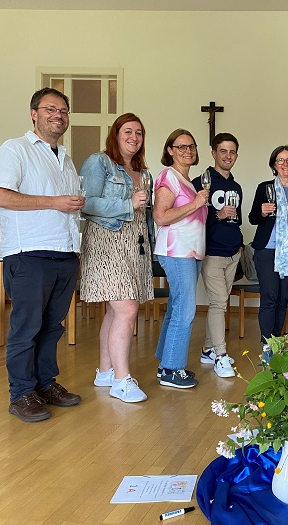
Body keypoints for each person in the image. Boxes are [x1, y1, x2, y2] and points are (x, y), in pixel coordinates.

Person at [0, 87, 83, 422]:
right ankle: (21, 394)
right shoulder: (14, 149)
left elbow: (69, 207)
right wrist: (55, 202)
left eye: (63, 111)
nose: (59, 115)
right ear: (34, 114)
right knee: (27, 328)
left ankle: (45, 384)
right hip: (29, 252)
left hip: (65, 252)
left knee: (52, 327)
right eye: (50, 109)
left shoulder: (66, 160)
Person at [80, 113, 154, 403]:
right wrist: (127, 203)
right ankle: (122, 380)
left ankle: (105, 372)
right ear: (116, 134)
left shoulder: (142, 172)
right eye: (128, 131)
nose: (134, 137)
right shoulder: (99, 162)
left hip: (135, 244)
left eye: (139, 132)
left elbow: (144, 215)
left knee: (115, 311)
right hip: (106, 241)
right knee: (127, 308)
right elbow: (85, 203)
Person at [153, 129, 209, 389]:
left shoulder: (188, 181)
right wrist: (196, 203)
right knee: (186, 309)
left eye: (192, 146)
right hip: (176, 251)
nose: (188, 151)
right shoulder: (169, 176)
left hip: (191, 252)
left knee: (177, 307)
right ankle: (172, 369)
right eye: (182, 146)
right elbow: (160, 216)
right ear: (170, 150)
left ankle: (166, 363)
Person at [248, 145, 288, 361]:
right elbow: (252, 218)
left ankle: (277, 343)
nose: (285, 163)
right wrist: (262, 212)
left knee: (283, 299)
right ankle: (267, 348)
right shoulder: (264, 188)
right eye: (280, 160)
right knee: (270, 298)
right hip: (267, 251)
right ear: (274, 164)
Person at [192, 133, 243, 378]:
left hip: (233, 253)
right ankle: (220, 355)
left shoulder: (236, 186)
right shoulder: (200, 183)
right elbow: (192, 218)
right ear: (213, 153)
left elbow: (237, 220)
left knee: (220, 303)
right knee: (219, 302)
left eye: (232, 152)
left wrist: (239, 246)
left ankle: (208, 349)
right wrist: (217, 215)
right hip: (212, 252)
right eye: (223, 151)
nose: (228, 156)